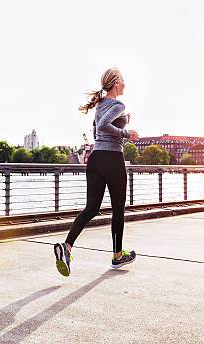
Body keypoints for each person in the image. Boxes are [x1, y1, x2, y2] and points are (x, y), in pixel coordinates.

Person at [54, 67, 140, 276]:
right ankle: (117, 257)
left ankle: (67, 247)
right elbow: (102, 126)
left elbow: (96, 131)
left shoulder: (101, 105)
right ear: (116, 83)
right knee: (118, 208)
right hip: (111, 158)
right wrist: (127, 133)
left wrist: (119, 125)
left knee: (92, 207)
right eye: (123, 80)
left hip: (96, 159)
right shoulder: (118, 104)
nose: (126, 84)